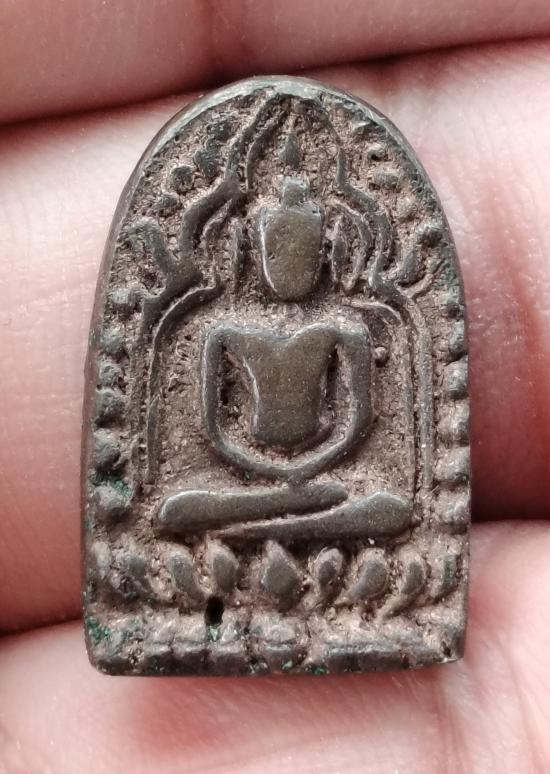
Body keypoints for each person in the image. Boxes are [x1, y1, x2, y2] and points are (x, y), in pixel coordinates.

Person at [1, 1, 550, 771]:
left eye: (302, 248)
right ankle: (202, 595)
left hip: (328, 488)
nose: (288, 263)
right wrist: (272, 477)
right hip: (249, 487)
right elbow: (214, 431)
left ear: (325, 248)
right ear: (252, 247)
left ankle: (343, 587)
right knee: (177, 509)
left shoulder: (345, 328)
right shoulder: (223, 329)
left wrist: (304, 477)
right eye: (275, 248)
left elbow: (355, 430)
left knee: (388, 510)